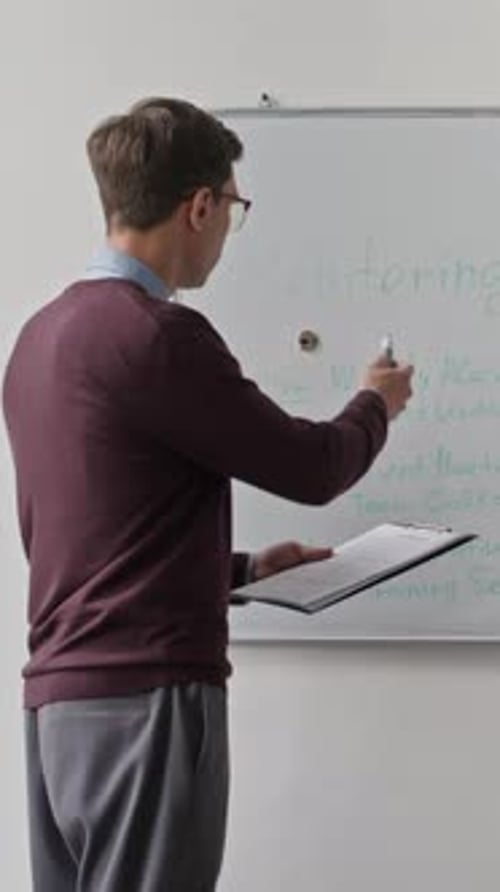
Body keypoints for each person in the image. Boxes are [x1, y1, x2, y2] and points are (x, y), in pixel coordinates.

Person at [2, 97, 414, 892]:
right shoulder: (158, 335)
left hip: (58, 711)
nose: (229, 228)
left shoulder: (37, 340)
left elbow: (84, 539)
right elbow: (313, 467)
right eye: (234, 207)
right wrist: (375, 404)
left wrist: (243, 568)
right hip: (148, 702)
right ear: (200, 206)